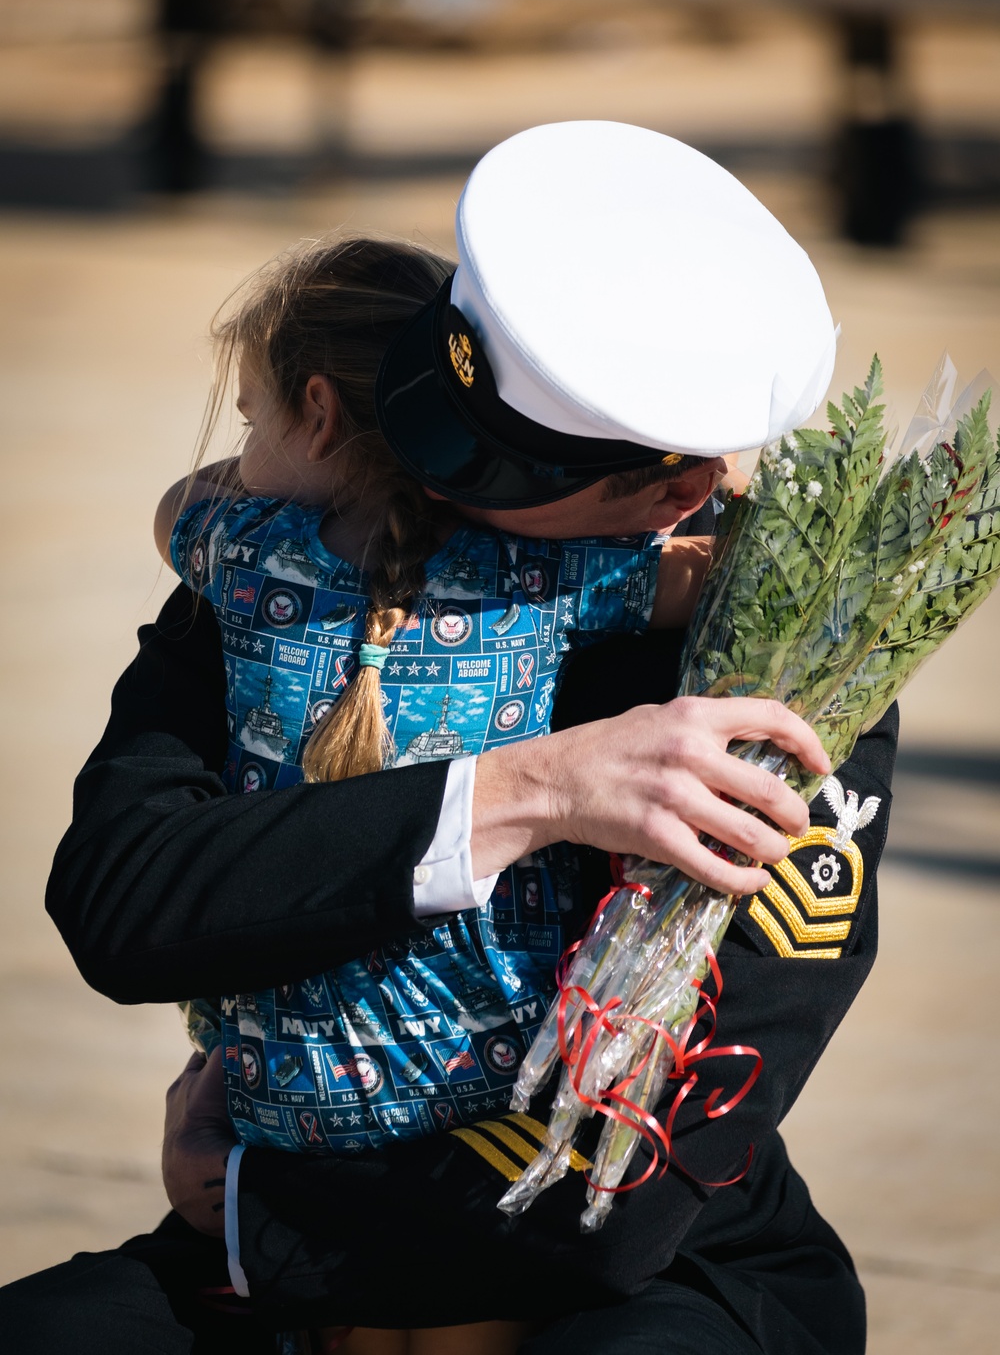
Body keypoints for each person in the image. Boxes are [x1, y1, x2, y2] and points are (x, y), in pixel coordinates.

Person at [1, 123, 895, 1355]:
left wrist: (263, 1215)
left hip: (608, 1271)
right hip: (285, 1216)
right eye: (428, 410)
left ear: (667, 495)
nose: (429, 486)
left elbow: (630, 1180)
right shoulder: (308, 556)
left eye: (486, 460)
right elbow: (122, 902)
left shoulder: (788, 672)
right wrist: (512, 793)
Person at [156, 232, 728, 1158]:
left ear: (316, 411)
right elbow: (716, 575)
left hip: (278, 1107)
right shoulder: (543, 577)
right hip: (487, 1092)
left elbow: (180, 502)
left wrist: (309, 480)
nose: (241, 451)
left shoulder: (244, 554)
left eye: (250, 418)